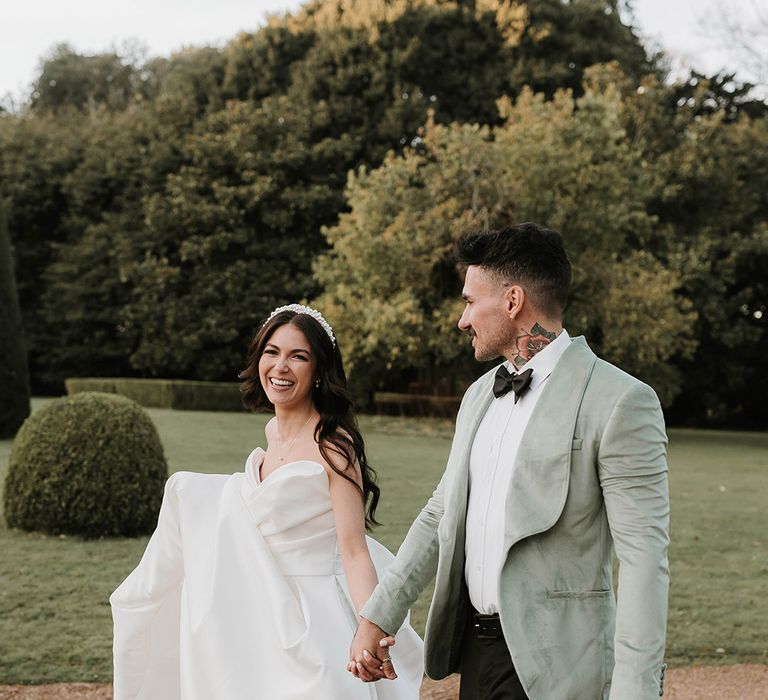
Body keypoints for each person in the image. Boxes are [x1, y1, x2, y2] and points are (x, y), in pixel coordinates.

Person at [349, 224, 670, 699]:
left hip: (564, 667)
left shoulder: (620, 400)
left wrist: (635, 692)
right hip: (478, 659)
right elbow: (441, 511)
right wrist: (378, 615)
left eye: (470, 301)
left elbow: (644, 558)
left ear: (513, 301)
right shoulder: (479, 395)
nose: (463, 319)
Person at [110, 304, 423, 700]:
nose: (280, 366)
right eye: (272, 352)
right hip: (255, 609)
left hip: (313, 617)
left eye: (298, 356)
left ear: (319, 371)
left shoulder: (333, 446)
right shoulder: (273, 431)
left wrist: (370, 626)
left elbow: (354, 551)